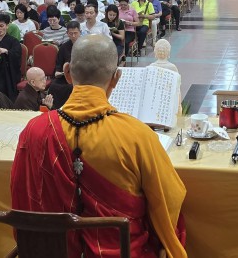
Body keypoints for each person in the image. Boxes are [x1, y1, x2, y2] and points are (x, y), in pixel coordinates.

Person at [10, 35, 187, 257]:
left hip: (54, 252)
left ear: (67, 72)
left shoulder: (34, 131)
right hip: (121, 251)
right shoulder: (137, 135)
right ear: (116, 77)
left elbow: (21, 199)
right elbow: (169, 201)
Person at [48, 21, 81, 110]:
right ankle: (54, 108)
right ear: (67, 33)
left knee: (70, 87)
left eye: (75, 33)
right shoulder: (64, 47)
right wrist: (58, 71)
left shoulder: (86, 46)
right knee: (54, 86)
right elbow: (59, 63)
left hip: (80, 77)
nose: (73, 36)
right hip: (65, 76)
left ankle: (68, 109)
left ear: (80, 32)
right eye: (71, 33)